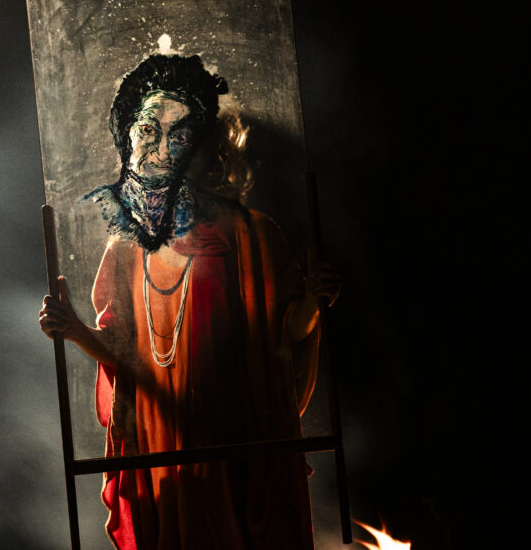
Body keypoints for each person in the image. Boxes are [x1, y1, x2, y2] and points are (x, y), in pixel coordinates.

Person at [38, 54, 339, 550]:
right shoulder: (125, 250)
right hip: (163, 442)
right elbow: (122, 354)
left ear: (201, 148)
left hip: (239, 443)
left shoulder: (252, 236)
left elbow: (286, 335)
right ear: (127, 141)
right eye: (147, 131)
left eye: (178, 135)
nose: (161, 150)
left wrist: (312, 301)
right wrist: (72, 328)